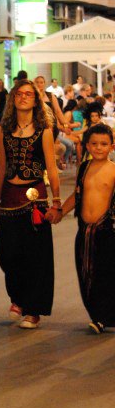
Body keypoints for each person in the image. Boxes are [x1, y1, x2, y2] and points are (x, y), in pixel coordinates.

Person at [0, 79, 61, 329]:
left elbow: (51, 168)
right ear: (13, 98)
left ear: (35, 99)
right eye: (19, 93)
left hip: (35, 199)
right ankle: (17, 298)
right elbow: (1, 168)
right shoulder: (4, 130)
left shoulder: (44, 130)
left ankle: (32, 310)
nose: (23, 97)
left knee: (35, 256)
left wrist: (56, 201)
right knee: (8, 252)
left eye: (28, 94)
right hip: (9, 197)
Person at [61, 124, 115, 334]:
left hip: (107, 231)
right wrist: (59, 212)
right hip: (84, 231)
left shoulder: (113, 170)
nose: (98, 148)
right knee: (85, 274)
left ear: (111, 146)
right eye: (94, 144)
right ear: (87, 146)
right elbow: (76, 195)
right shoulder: (84, 168)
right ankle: (97, 315)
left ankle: (102, 317)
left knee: (105, 274)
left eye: (103, 144)